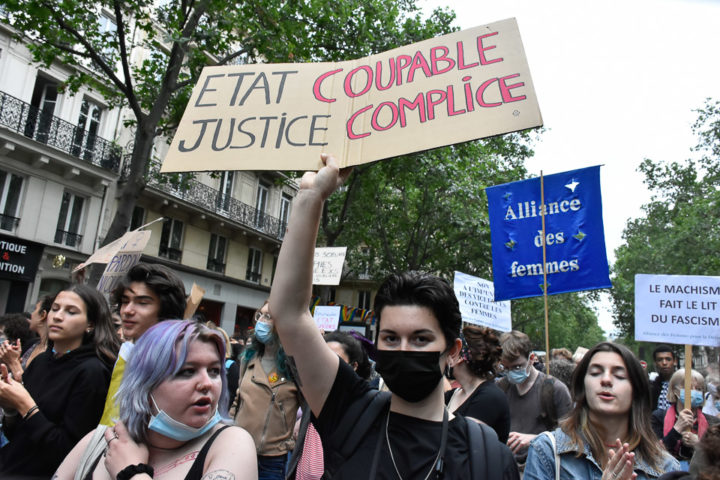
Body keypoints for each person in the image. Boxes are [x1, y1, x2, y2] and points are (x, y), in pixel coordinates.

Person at [268, 154, 518, 479]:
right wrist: (311, 197)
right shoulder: (349, 411)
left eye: (420, 339)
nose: (403, 349)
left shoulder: (488, 458)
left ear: (453, 350)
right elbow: (289, 313)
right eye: (390, 338)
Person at [55, 320, 257, 480]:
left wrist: (132, 472)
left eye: (214, 371)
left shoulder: (231, 444)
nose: (208, 383)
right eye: (187, 372)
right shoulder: (97, 442)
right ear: (144, 384)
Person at [0, 284, 120, 478]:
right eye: (55, 309)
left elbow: (66, 451)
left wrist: (25, 405)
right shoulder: (41, 361)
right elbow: (16, 433)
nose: (57, 316)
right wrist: (10, 408)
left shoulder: (92, 372)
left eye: (71, 312)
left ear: (90, 324)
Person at [524, 342, 680, 480]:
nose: (606, 379)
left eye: (619, 375)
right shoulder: (547, 450)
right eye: (595, 373)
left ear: (636, 390)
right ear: (583, 386)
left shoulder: (665, 467)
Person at [100, 262, 187, 425]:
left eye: (142, 303)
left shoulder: (178, 364)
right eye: (125, 301)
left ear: (166, 309)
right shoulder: (126, 352)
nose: (127, 310)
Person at [288, 331, 374, 480]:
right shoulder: (312, 394)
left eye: (334, 359)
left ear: (353, 366)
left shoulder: (363, 407)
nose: (324, 365)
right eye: (321, 359)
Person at [232, 301, 301, 480]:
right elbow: (238, 398)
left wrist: (293, 438)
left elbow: (310, 410)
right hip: (238, 450)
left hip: (272, 460)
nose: (261, 321)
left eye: (268, 317)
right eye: (260, 315)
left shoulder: (296, 366)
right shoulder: (248, 358)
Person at [498, 330, 572, 465]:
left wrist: (535, 439)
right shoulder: (500, 388)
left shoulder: (555, 389)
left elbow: (572, 439)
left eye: (517, 367)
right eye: (506, 368)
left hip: (541, 468)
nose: (511, 373)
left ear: (531, 359)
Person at [445, 325, 511, 442]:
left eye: (449, 350)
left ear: (459, 356)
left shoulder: (490, 397)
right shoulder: (452, 395)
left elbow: (459, 441)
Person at [651, 369, 720, 466]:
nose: (694, 392)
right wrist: (677, 429)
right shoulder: (658, 417)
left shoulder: (713, 422)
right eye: (690, 388)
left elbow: (716, 457)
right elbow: (653, 452)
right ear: (675, 391)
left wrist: (699, 444)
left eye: (699, 389)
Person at [651, 345, 678, 412]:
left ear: (675, 361)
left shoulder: (684, 384)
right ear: (655, 363)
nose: (664, 363)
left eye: (668, 359)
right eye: (660, 360)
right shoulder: (651, 387)